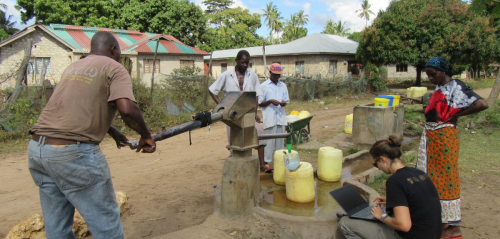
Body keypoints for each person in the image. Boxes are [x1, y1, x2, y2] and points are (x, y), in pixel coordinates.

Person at [28, 32, 156, 239]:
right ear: (113, 49)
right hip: (72, 154)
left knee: (57, 226)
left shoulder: (73, 67)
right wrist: (146, 135)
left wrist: (111, 130)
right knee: (105, 222)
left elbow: (71, 108)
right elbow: (127, 109)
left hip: (38, 150)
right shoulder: (114, 67)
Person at [416, 57, 488, 239]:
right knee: (432, 178)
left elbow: (482, 104)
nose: (430, 78)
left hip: (444, 138)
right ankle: (441, 220)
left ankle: (453, 226)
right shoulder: (441, 87)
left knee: (447, 178)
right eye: (428, 75)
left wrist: (456, 115)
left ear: (444, 72)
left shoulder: (457, 86)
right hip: (432, 137)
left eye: (433, 74)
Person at [339, 135, 442, 239]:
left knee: (345, 223)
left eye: (376, 164)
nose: (378, 168)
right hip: (433, 234)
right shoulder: (419, 173)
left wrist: (382, 216)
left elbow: (404, 225)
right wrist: (393, 200)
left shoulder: (394, 181)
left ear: (383, 159)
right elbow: (419, 201)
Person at [208, 50, 267, 170]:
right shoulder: (226, 75)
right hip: (232, 114)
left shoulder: (252, 75)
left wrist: (255, 113)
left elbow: (256, 95)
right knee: (234, 142)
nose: (245, 65)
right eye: (243, 62)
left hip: (248, 111)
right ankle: (236, 169)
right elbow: (212, 90)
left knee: (258, 134)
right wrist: (223, 107)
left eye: (247, 63)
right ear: (236, 61)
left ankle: (262, 165)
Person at [258, 63, 289, 172]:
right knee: (268, 143)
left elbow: (286, 100)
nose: (277, 76)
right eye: (275, 74)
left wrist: (283, 103)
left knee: (280, 143)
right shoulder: (264, 86)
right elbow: (260, 103)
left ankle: (280, 163)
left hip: (280, 118)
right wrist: (270, 101)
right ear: (270, 73)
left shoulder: (283, 86)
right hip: (270, 118)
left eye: (278, 75)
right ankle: (266, 164)